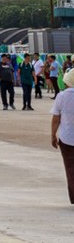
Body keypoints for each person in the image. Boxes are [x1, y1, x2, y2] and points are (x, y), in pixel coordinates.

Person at [51, 67, 74, 204]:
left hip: (67, 138)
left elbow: (55, 118)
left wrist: (53, 135)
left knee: (71, 169)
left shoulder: (62, 96)